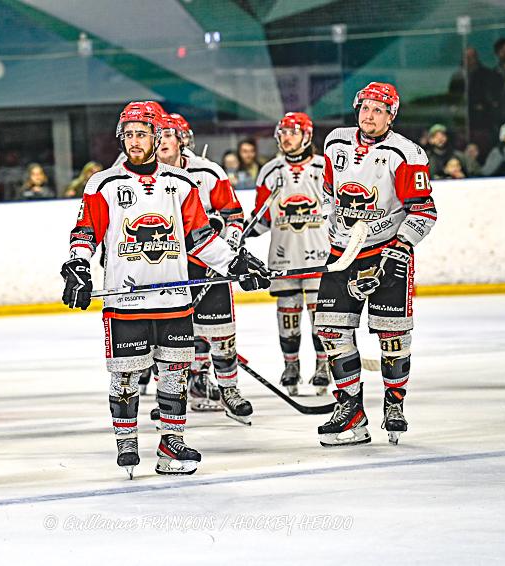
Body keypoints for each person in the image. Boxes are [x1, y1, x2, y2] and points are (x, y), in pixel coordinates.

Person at [61, 101, 269, 478]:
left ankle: (171, 444)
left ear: (157, 137)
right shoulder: (104, 183)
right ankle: (126, 443)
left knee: (175, 373)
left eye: (141, 134)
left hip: (174, 300)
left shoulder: (182, 183)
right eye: (128, 134)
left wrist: (236, 263)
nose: (134, 141)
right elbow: (86, 232)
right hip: (126, 300)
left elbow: (201, 238)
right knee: (125, 377)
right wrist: (78, 265)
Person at [317, 82, 437, 446]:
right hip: (342, 254)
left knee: (393, 336)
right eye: (366, 108)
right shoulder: (335, 142)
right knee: (332, 331)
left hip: (387, 252)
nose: (370, 116)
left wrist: (401, 246)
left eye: (379, 111)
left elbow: (424, 210)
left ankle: (394, 404)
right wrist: (329, 220)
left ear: (391, 116)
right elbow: (327, 192)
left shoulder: (407, 154)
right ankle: (351, 410)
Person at [158, 111, 256, 424]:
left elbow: (234, 216)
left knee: (221, 334)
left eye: (167, 134)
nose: (161, 141)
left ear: (181, 140)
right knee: (173, 337)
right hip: (168, 269)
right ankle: (173, 395)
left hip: (210, 265)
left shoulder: (209, 172)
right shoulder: (144, 178)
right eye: (156, 135)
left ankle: (229, 390)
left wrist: (230, 247)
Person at [247, 112, 331, 396]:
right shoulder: (270, 171)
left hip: (320, 256)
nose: (286, 137)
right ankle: (291, 365)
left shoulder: (324, 167)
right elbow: (262, 218)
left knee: (320, 315)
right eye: (282, 132)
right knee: (288, 315)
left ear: (307, 136)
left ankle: (323, 365)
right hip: (283, 257)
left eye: (293, 132)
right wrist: (238, 232)